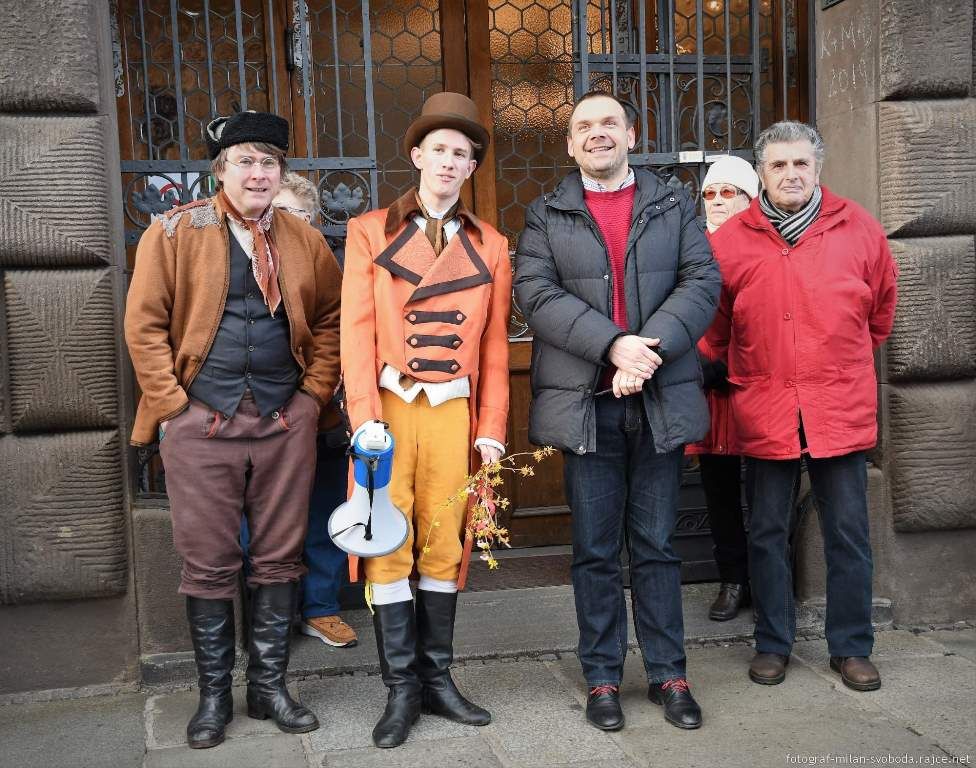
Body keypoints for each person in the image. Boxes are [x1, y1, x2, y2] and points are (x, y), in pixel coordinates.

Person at [124, 111, 342, 748]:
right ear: (221, 171)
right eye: (245, 161)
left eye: (269, 162)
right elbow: (144, 326)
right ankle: (214, 697)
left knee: (279, 557)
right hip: (201, 425)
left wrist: (312, 397)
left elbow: (330, 321)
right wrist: (173, 407)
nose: (258, 173)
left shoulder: (304, 240)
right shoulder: (173, 232)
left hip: (283, 423)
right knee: (209, 562)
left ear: (281, 172)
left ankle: (269, 688)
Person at [515, 91, 720, 732]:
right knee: (596, 551)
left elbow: (702, 281)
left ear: (632, 134)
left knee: (657, 546)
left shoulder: (674, 203)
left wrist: (645, 353)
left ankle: (669, 675)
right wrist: (613, 346)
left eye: (609, 122)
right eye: (584, 126)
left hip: (657, 399)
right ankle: (602, 678)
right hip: (589, 407)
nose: (597, 133)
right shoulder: (546, 213)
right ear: (570, 144)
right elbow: (535, 293)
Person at [340, 92, 511, 748]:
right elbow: (356, 332)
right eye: (438, 149)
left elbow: (495, 345)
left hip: (451, 412)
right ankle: (401, 690)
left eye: (460, 153)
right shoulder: (369, 231)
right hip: (387, 411)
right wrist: (361, 416)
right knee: (386, 539)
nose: (447, 161)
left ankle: (437, 680)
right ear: (416, 155)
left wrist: (492, 425)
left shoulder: (492, 244)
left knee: (444, 540)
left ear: (471, 167)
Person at [707, 121, 897, 692]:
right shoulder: (732, 239)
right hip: (765, 405)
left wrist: (835, 360)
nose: (790, 174)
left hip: (838, 405)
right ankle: (773, 643)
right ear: (761, 173)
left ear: (817, 169)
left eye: (800, 164)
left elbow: (879, 314)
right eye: (778, 165)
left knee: (848, 533)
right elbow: (714, 328)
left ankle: (852, 646)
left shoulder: (858, 228)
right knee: (767, 532)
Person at [239, 172, 358, 649]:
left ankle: (321, 608)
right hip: (260, 415)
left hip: (322, 413)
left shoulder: (334, 261)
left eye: (302, 215)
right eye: (283, 212)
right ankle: (272, 612)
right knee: (263, 519)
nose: (293, 222)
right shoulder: (243, 261)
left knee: (324, 513)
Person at [686, 155, 759, 622]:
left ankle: (770, 582)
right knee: (719, 492)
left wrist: (730, 364)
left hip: (756, 388)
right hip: (707, 389)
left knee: (768, 495)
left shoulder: (765, 246)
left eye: (727, 192)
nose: (715, 200)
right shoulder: (693, 247)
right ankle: (733, 579)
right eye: (709, 193)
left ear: (750, 199)